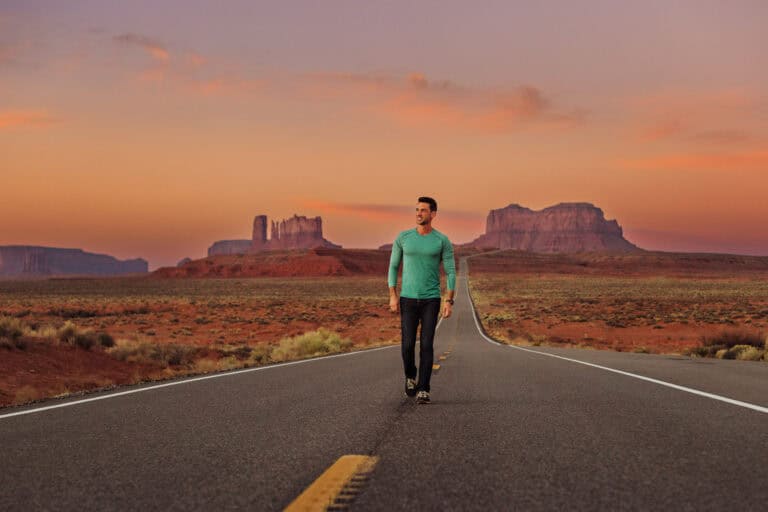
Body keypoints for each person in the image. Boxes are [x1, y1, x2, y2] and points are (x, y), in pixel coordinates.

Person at [388, 196, 456, 404]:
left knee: (427, 344)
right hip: (407, 299)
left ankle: (424, 388)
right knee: (407, 345)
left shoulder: (441, 240)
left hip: (431, 300)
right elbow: (393, 267)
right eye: (417, 210)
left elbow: (451, 271)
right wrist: (393, 295)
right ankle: (410, 375)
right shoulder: (403, 237)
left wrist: (448, 300)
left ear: (433, 214)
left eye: (423, 210)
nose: (419, 213)